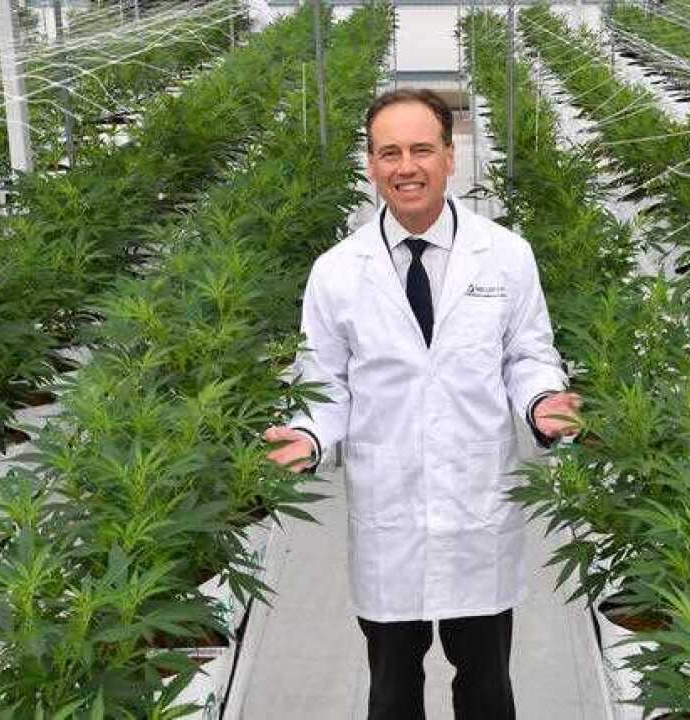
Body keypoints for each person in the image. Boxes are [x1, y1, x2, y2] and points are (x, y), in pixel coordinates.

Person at [263, 88, 580, 720]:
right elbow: (323, 382)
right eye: (389, 152)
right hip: (391, 511)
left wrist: (543, 400)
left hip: (476, 506)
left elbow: (528, 354)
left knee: (487, 686)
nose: (405, 166)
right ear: (371, 164)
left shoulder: (506, 256)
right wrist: (309, 436)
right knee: (392, 689)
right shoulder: (336, 271)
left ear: (449, 157)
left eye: (420, 150)